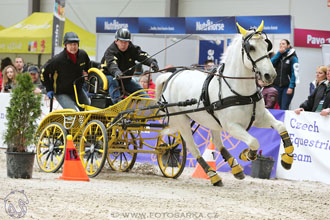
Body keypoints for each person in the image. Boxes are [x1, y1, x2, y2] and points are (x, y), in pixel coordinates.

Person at [101, 28, 159, 104]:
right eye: (121, 41)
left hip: (124, 78)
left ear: (129, 42)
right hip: (108, 76)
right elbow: (112, 63)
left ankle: (151, 105)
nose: (124, 44)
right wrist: (117, 72)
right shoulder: (110, 51)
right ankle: (119, 105)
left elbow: (143, 56)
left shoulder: (133, 49)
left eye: (126, 42)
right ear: (116, 41)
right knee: (113, 81)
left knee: (139, 90)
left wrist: (152, 63)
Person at [41, 32, 91, 111]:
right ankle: (72, 123)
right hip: (62, 92)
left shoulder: (83, 55)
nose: (73, 47)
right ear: (65, 45)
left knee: (88, 108)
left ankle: (85, 123)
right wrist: (49, 88)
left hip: (78, 90)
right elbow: (43, 72)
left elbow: (89, 68)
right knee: (72, 111)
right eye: (70, 44)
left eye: (75, 44)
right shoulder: (58, 59)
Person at [271, 39, 299, 110]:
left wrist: (291, 86)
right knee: (279, 106)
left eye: (283, 44)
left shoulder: (293, 58)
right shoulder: (279, 56)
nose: (281, 45)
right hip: (277, 86)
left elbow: (294, 73)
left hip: (287, 87)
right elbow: (270, 64)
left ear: (288, 46)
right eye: (280, 44)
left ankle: (284, 121)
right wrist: (279, 54)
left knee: (284, 107)